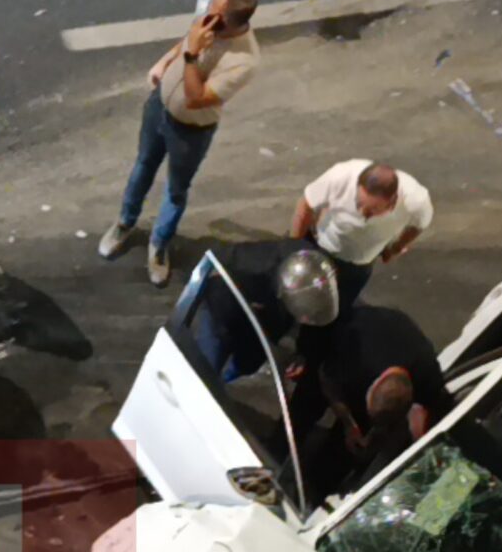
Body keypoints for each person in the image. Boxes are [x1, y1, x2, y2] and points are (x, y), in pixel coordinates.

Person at [97, 0, 260, 288]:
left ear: (224, 20)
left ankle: (159, 244)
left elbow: (196, 97)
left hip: (191, 130)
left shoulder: (244, 61)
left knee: (176, 188)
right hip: (158, 107)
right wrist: (167, 59)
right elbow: (186, 40)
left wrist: (192, 56)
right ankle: (124, 223)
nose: (207, 7)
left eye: (213, 7)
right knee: (143, 165)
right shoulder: (206, 21)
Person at [294, 302, 456, 498]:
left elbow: (430, 411)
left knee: (350, 446)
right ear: (370, 389)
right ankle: (285, 451)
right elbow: (326, 381)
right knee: (305, 405)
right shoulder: (354, 363)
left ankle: (322, 484)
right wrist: (348, 424)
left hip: (396, 336)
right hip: (344, 330)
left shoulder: (426, 372)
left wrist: (420, 446)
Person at [192, 240, 341, 386]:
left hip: (263, 323)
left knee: (247, 364)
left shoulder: (318, 281)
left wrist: (302, 353)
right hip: (224, 310)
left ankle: (225, 379)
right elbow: (214, 268)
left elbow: (314, 322)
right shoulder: (255, 264)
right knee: (203, 370)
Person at [289, 159, 433, 310]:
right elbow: (305, 206)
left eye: (373, 210)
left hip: (358, 264)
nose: (362, 214)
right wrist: (293, 246)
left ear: (393, 201)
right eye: (359, 203)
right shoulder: (340, 176)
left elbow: (419, 225)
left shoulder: (417, 201)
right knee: (296, 293)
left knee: (335, 308)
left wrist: (396, 248)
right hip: (322, 244)